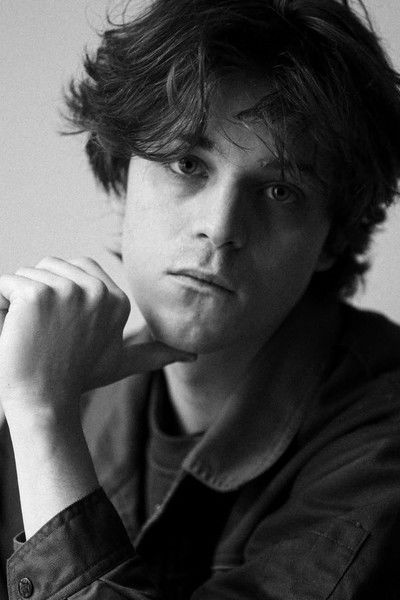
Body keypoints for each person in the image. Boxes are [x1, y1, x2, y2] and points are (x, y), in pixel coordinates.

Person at [1, 0, 400, 598]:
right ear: (121, 177)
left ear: (332, 238)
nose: (220, 228)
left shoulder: (381, 442)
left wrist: (40, 418)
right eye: (187, 164)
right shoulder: (57, 372)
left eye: (279, 190)